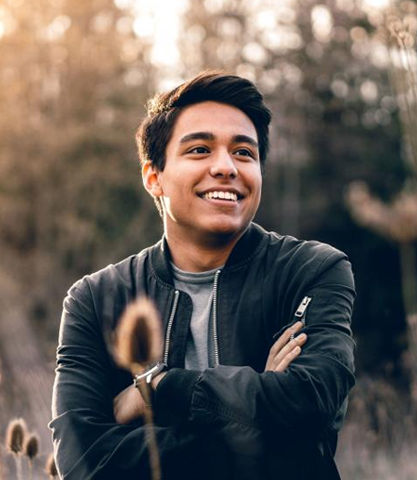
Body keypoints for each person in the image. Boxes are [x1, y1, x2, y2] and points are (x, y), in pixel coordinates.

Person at [50, 71, 355, 480]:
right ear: (153, 177)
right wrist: (260, 414)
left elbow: (312, 403)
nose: (226, 167)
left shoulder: (311, 270)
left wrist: (160, 389)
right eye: (199, 150)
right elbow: (83, 462)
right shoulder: (96, 298)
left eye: (243, 153)